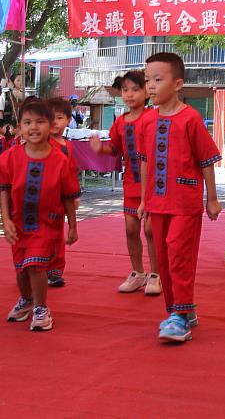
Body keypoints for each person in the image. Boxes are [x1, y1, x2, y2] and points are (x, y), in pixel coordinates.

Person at [138, 52, 222, 343]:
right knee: (162, 257)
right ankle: (179, 309)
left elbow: (206, 159)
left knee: (178, 254)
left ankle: (180, 316)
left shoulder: (191, 118)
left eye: (157, 80)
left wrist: (212, 198)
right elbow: (145, 161)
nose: (150, 86)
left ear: (177, 84)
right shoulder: (147, 121)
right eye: (147, 80)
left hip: (185, 200)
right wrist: (142, 200)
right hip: (157, 201)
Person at [0, 98, 80, 331]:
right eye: (28, 122)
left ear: (51, 126)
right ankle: (27, 300)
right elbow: (4, 191)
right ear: (19, 127)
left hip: (47, 225)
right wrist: (6, 220)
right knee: (21, 269)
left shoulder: (61, 161)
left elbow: (68, 196)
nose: (33, 127)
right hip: (19, 225)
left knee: (36, 266)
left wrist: (72, 226)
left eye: (40, 122)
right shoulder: (10, 158)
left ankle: (42, 308)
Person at [90, 71, 160, 295]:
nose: (129, 94)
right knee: (131, 229)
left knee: (151, 230)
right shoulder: (120, 121)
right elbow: (115, 148)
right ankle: (137, 272)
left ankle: (156, 274)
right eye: (125, 90)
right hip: (131, 182)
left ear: (146, 93)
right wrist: (100, 148)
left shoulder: (153, 117)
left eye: (135, 89)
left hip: (153, 185)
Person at [45, 97, 80, 287]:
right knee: (44, 233)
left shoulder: (68, 145)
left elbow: (72, 171)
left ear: (68, 120)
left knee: (58, 233)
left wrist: (74, 196)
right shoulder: (43, 143)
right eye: (50, 118)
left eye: (59, 118)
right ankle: (39, 265)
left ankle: (56, 269)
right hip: (46, 195)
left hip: (62, 196)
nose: (54, 122)